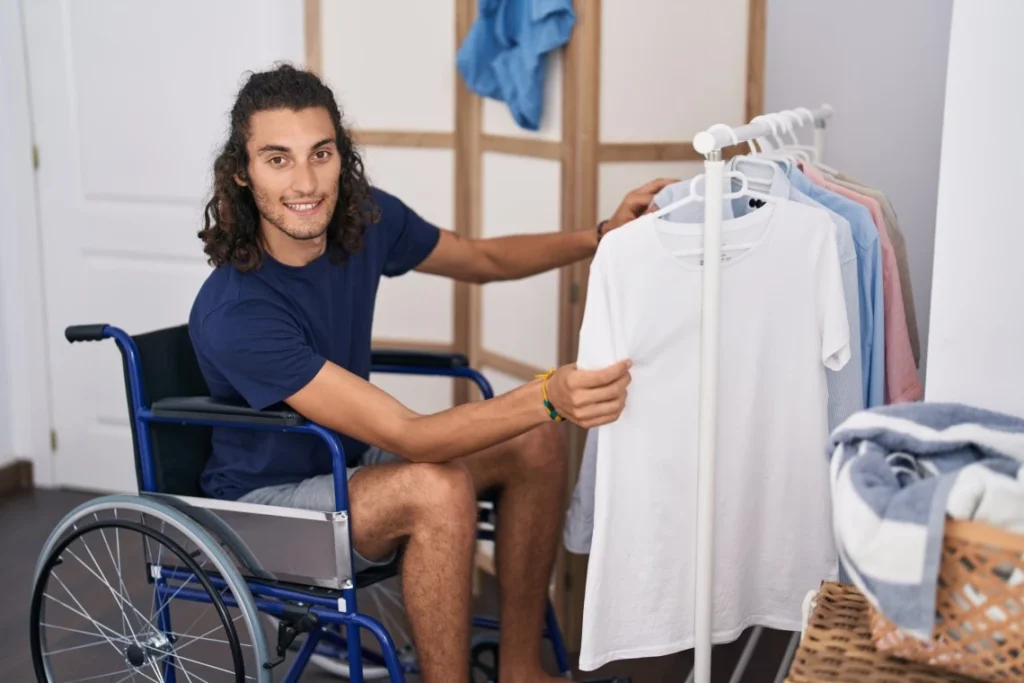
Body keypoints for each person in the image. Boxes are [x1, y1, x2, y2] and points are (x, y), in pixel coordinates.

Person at [189, 63, 673, 683]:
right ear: (242, 171)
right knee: (436, 487)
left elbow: (483, 257)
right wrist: (549, 395)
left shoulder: (362, 219)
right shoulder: (237, 311)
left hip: (348, 464)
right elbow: (411, 436)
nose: (305, 182)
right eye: (277, 159)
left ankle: (521, 669)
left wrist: (602, 235)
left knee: (533, 441)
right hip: (266, 510)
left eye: (321, 154)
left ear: (342, 157)